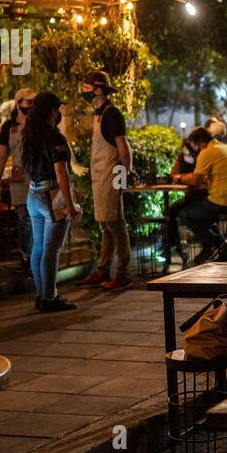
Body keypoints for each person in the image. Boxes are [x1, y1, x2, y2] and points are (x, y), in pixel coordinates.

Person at [21, 92, 81, 312]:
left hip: (33, 195)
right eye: (59, 110)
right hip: (51, 197)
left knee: (38, 247)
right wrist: (70, 204)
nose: (60, 114)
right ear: (53, 112)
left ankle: (40, 295)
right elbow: (61, 172)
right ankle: (49, 297)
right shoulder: (54, 137)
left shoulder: (30, 135)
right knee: (51, 249)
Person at [75, 70, 134, 292]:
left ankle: (123, 272)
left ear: (98, 89)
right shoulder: (99, 113)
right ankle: (103, 269)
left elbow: (123, 146)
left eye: (87, 88)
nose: (84, 91)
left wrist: (124, 174)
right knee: (106, 225)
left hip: (113, 174)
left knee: (115, 222)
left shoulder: (112, 113)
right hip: (101, 175)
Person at [175, 126, 227, 263]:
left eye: (193, 145)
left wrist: (178, 178)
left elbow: (195, 180)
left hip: (222, 201)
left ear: (199, 143)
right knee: (203, 215)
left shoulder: (208, 151)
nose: (194, 149)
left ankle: (217, 243)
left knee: (184, 214)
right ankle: (222, 251)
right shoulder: (225, 147)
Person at [0, 87, 36, 274]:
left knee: (37, 218)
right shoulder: (8, 127)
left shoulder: (37, 124)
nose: (31, 105)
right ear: (18, 104)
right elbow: (1, 156)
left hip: (36, 176)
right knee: (23, 218)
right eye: (28, 102)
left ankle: (38, 257)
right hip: (18, 179)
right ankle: (27, 257)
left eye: (33, 101)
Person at [163, 126, 207, 266]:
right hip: (193, 193)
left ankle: (176, 247)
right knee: (171, 211)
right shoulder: (185, 153)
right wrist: (179, 170)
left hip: (202, 193)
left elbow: (199, 178)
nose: (192, 146)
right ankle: (176, 247)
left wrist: (181, 177)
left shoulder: (204, 153)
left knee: (174, 211)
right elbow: (174, 174)